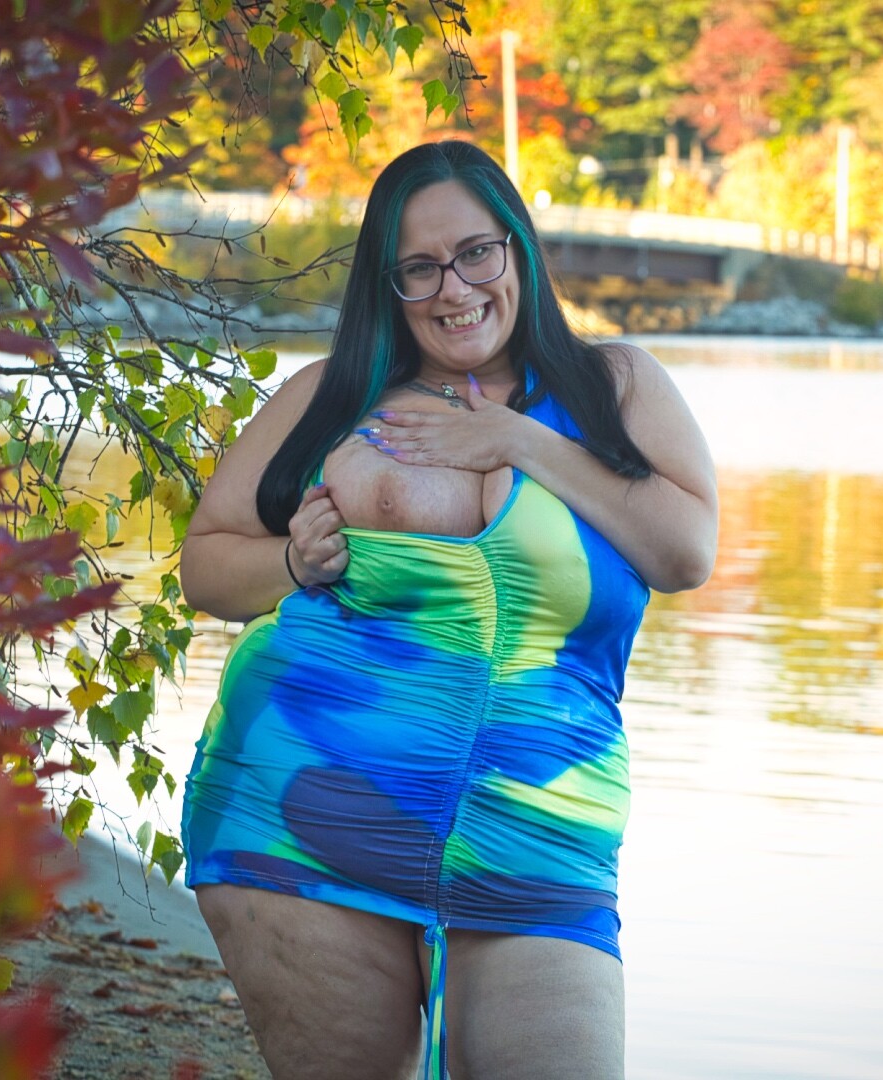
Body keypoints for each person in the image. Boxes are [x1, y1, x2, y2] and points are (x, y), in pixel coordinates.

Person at [178, 140, 717, 1080]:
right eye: (418, 267)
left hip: (538, 829)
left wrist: (518, 440)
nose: (452, 288)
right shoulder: (331, 399)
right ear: (388, 286)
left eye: (475, 253)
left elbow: (686, 553)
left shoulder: (615, 387)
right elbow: (206, 565)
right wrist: (295, 563)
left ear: (518, 248)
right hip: (304, 811)